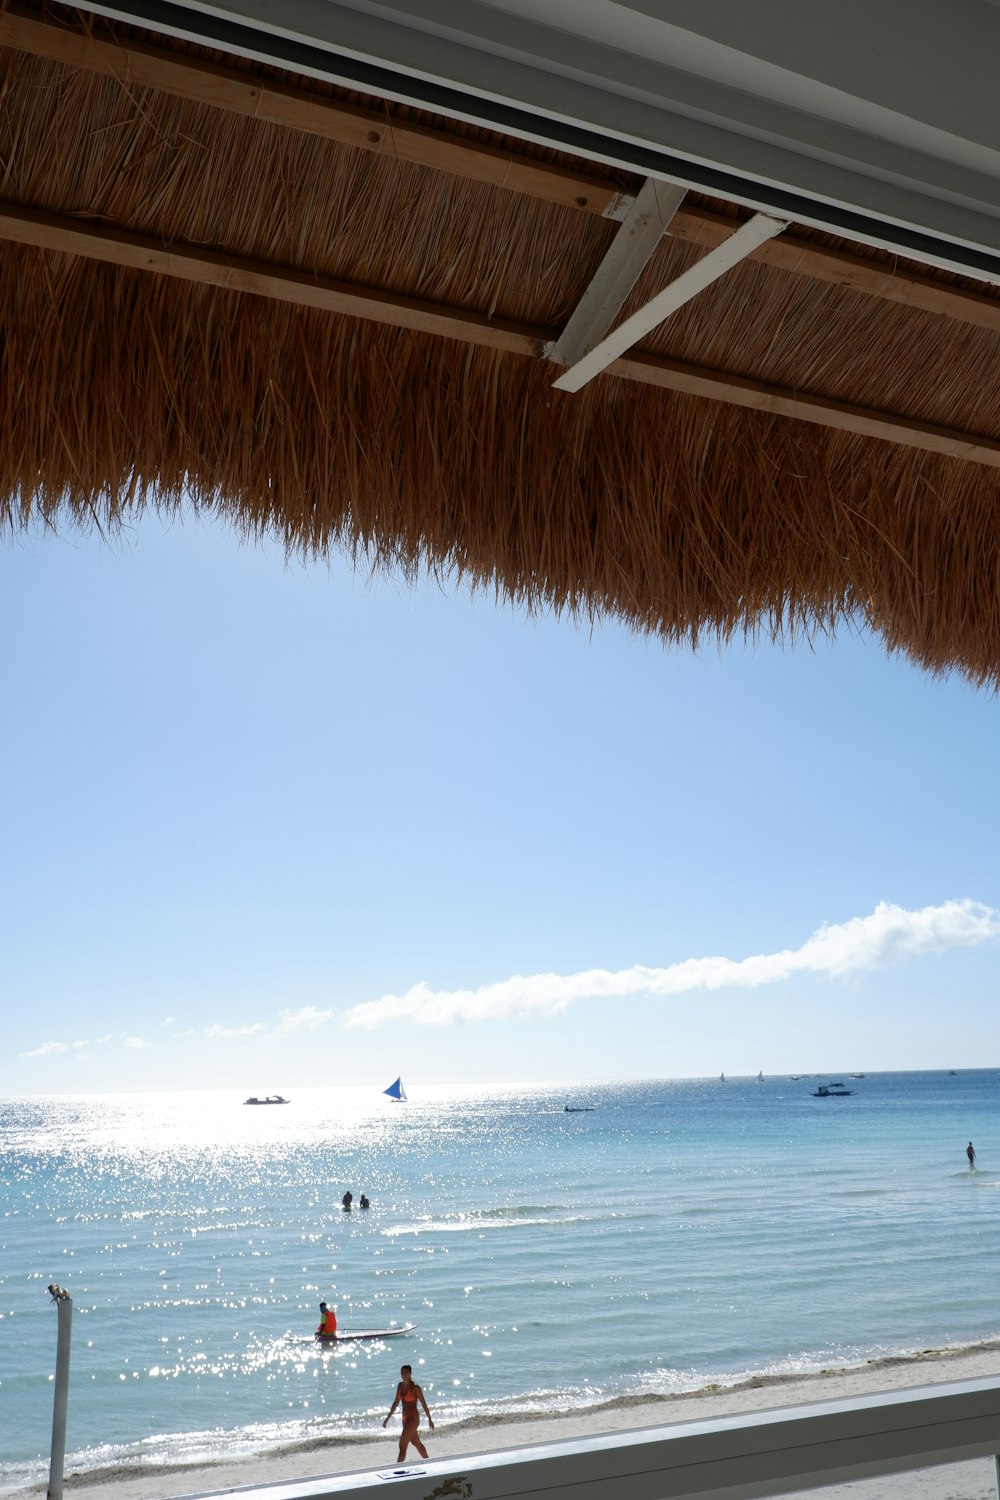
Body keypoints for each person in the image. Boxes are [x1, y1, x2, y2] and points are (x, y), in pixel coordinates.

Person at [383, 1364, 434, 1461]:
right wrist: (387, 1419)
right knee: (416, 1442)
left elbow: (424, 1404)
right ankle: (428, 1461)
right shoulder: (400, 1386)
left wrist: (430, 1419)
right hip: (405, 1418)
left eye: (405, 1373)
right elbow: (395, 1403)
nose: (403, 1375)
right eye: (402, 1373)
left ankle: (399, 1469)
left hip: (413, 1418)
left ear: (410, 1373)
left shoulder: (415, 1388)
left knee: (402, 1444)